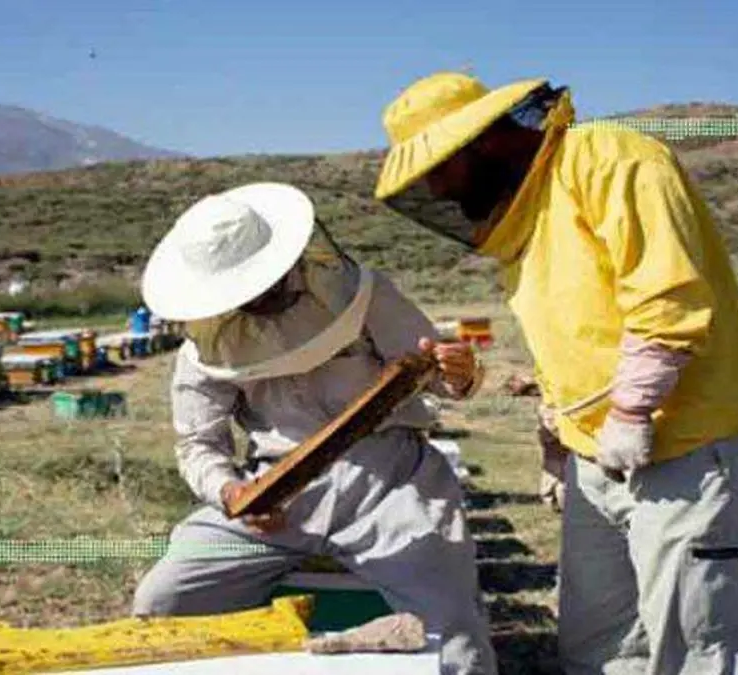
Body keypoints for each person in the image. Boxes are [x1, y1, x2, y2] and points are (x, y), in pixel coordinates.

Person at [373, 72, 738, 675]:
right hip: (597, 460)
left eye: (438, 168)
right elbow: (571, 342)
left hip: (688, 449)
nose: (436, 188)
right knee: (600, 648)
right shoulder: (527, 218)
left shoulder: (608, 158)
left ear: (480, 142)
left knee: (693, 648)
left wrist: (633, 410)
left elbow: (665, 296)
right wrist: (557, 441)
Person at [132, 182, 498, 675]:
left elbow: (438, 374)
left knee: (449, 629)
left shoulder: (363, 295)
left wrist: (460, 373)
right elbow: (198, 442)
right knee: (165, 598)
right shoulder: (205, 344)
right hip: (275, 497)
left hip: (389, 485)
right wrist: (230, 493)